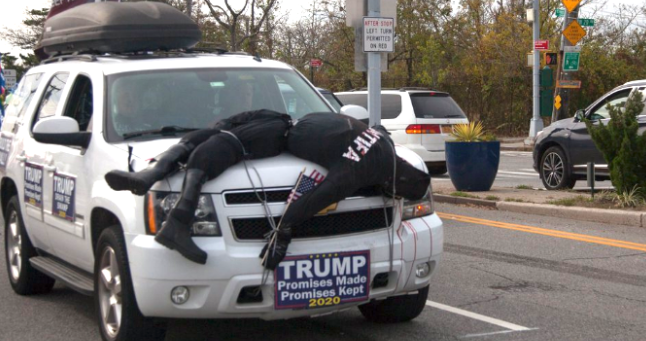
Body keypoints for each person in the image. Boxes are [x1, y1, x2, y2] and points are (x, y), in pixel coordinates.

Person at [105, 111, 430, 267]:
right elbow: (315, 199)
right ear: (393, 183)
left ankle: (152, 176)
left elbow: (377, 127)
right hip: (277, 139)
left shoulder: (386, 144)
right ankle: (169, 209)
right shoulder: (357, 172)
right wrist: (284, 231)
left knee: (218, 136)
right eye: (395, 192)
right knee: (224, 141)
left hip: (283, 126)